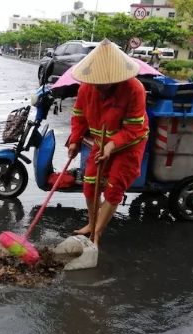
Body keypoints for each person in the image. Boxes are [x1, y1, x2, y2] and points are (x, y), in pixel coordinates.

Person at [67, 39, 149, 245]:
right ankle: (92, 223)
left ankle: (97, 233)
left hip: (129, 144)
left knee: (113, 188)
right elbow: (79, 116)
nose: (100, 87)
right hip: (100, 141)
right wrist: (75, 141)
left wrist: (112, 145)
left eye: (106, 83)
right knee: (90, 184)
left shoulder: (134, 89)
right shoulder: (86, 88)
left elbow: (133, 128)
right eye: (97, 82)